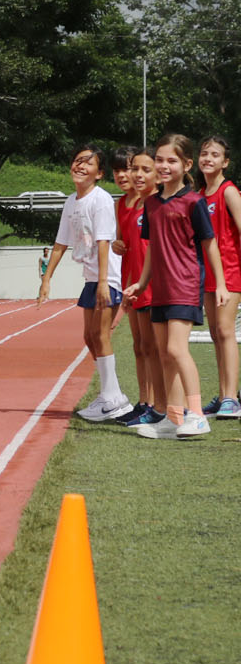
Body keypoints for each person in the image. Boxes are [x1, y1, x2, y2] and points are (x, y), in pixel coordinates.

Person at [123, 134, 229, 439]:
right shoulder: (151, 204)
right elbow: (153, 247)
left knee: (175, 348)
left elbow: (210, 245)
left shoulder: (194, 202)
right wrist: (141, 284)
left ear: (186, 165)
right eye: (159, 159)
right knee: (164, 353)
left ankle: (196, 415)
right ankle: (173, 417)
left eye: (171, 160)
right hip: (160, 289)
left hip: (185, 284)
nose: (164, 166)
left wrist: (219, 284)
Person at [38, 144, 134, 422]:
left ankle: (114, 399)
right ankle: (111, 395)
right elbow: (60, 243)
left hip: (107, 276)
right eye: (76, 161)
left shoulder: (100, 199)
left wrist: (105, 281)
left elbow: (104, 241)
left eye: (87, 163)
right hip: (92, 276)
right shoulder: (71, 201)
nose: (79, 166)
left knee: (100, 335)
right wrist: (46, 279)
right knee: (89, 337)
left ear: (99, 173)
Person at [112, 147, 165, 428]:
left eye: (132, 168)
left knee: (154, 346)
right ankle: (145, 401)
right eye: (123, 170)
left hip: (150, 281)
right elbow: (122, 242)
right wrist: (116, 245)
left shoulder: (155, 202)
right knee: (139, 346)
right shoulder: (121, 205)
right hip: (130, 279)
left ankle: (159, 404)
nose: (127, 175)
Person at [197, 135, 241, 419]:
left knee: (225, 331)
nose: (208, 158)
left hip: (231, 271)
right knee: (215, 333)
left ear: (225, 162)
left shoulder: (228, 191)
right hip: (207, 275)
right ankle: (227, 394)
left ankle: (230, 398)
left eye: (215, 155)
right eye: (204, 153)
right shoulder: (199, 196)